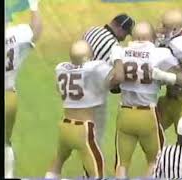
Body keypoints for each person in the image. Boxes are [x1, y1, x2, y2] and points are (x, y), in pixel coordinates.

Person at [110, 21, 182, 178]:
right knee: (155, 161)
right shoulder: (160, 54)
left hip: (125, 113)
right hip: (148, 115)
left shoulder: (120, 52)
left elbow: (113, 81)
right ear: (151, 38)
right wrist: (164, 76)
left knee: (122, 163)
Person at [45, 40, 124, 179]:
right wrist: (118, 59)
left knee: (57, 162)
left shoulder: (61, 68)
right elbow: (118, 78)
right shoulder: (94, 68)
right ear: (89, 55)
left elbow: (61, 88)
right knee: (97, 172)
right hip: (83, 129)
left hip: (65, 126)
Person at [82, 13, 135, 146]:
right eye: (126, 33)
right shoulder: (114, 47)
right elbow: (116, 78)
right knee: (95, 137)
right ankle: (92, 166)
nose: (124, 37)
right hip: (95, 95)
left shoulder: (91, 30)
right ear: (120, 28)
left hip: (77, 89)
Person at [4, 0, 42, 178]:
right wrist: (34, 6)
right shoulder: (15, 34)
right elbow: (36, 31)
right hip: (9, 95)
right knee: (6, 142)